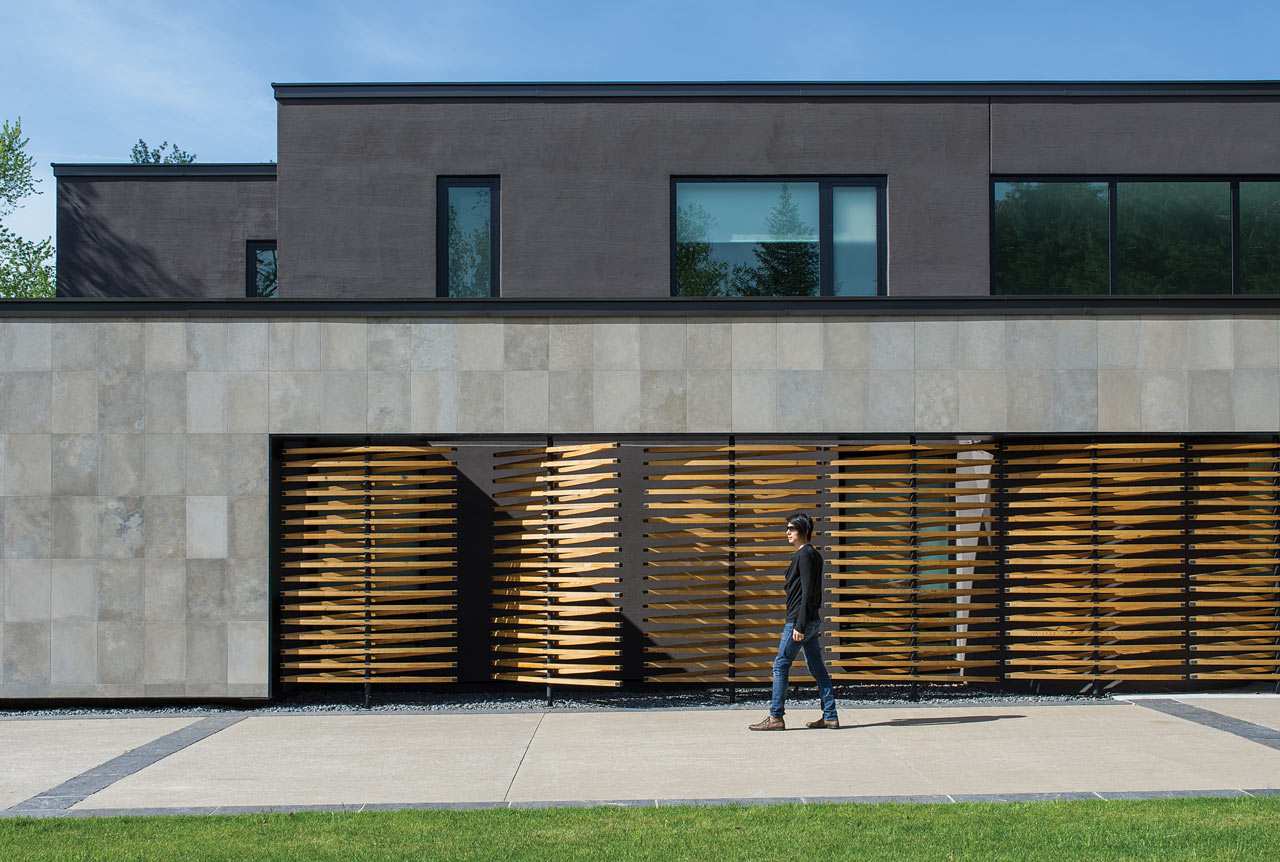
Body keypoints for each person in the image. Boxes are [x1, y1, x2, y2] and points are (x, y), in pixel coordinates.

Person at [749, 512, 839, 730]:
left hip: (799, 621)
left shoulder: (805, 555)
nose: (787, 532)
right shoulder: (813, 555)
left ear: (805, 530)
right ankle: (830, 716)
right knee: (817, 668)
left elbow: (808, 592)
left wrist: (799, 625)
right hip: (809, 620)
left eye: (792, 528)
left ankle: (776, 717)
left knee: (780, 665)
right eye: (787, 528)